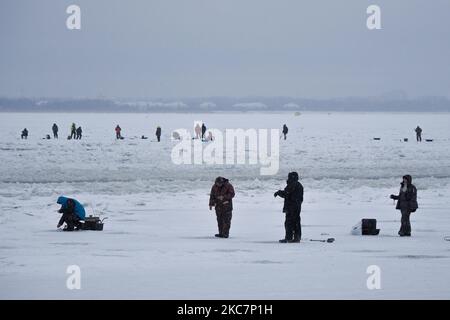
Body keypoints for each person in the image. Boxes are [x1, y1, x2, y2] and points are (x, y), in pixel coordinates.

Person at [274, 172, 304, 243]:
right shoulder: (298, 185)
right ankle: (297, 237)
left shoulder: (292, 184)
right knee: (296, 222)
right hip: (296, 206)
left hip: (291, 207)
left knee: (289, 222)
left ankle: (289, 238)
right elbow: (288, 194)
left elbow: (286, 194)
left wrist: (278, 193)